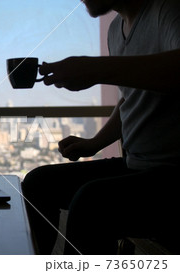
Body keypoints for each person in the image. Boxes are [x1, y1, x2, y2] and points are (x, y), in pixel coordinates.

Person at [22, 0, 180, 254]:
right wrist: (94, 143)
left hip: (171, 174)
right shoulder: (115, 29)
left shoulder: (168, 10)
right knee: (38, 183)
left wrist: (95, 69)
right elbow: (132, 99)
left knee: (91, 203)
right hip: (136, 166)